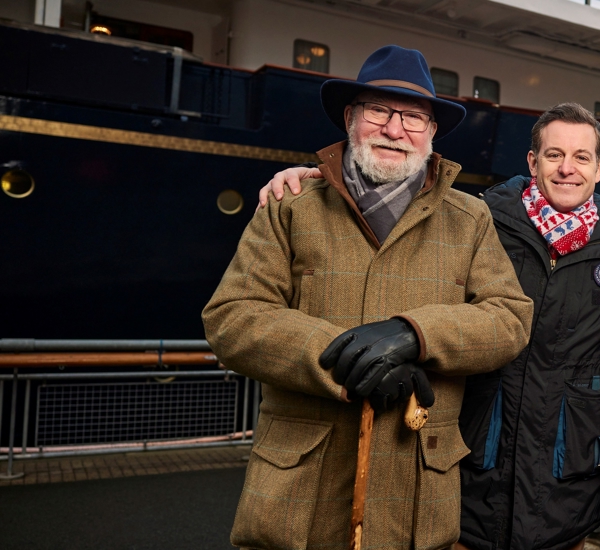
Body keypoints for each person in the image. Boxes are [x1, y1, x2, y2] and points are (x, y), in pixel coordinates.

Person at [258, 104, 600, 549]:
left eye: (581, 157)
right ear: (532, 161)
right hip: (475, 482)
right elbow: (399, 202)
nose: (567, 168)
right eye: (554, 155)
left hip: (572, 496)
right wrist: (316, 179)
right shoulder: (478, 220)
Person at [202, 45, 533, 550]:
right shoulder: (291, 206)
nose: (395, 129)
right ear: (351, 119)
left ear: (432, 133)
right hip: (299, 492)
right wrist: (346, 357)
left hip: (416, 495)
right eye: (379, 110)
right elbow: (233, 317)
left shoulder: (470, 219)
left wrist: (413, 335)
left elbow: (509, 319)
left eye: (414, 117)